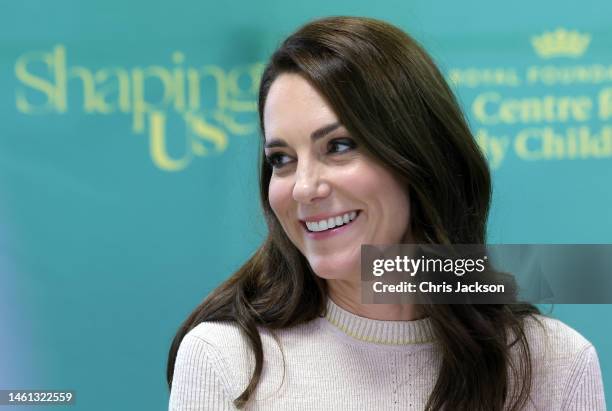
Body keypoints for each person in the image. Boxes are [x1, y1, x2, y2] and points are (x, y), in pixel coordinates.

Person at [166, 16, 606, 410]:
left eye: (338, 146)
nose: (304, 187)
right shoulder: (224, 360)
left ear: (419, 157)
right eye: (282, 158)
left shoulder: (555, 363)